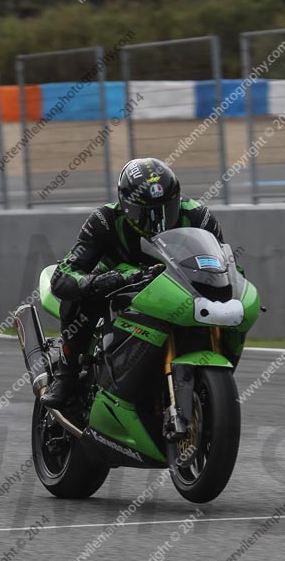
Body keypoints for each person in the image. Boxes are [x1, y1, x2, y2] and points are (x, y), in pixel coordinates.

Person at [40, 157, 225, 409]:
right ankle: (67, 376)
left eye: (166, 210)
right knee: (80, 298)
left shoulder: (198, 216)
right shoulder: (104, 220)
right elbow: (63, 275)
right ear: (125, 205)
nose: (157, 223)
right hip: (118, 289)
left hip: (176, 290)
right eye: (145, 214)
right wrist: (100, 281)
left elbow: (222, 261)